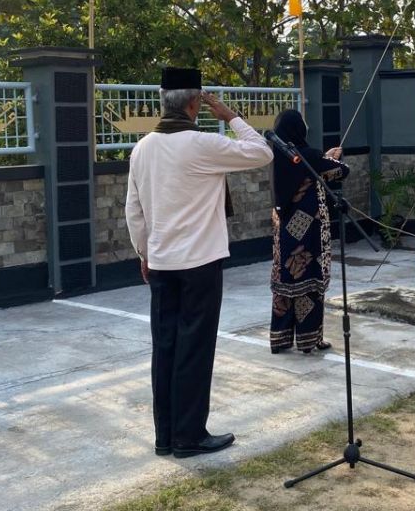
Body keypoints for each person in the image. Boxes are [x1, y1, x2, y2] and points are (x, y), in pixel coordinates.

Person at [125, 67, 273, 459]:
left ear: (164, 101)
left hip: (161, 260)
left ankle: (166, 436)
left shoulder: (142, 148)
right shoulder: (203, 144)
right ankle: (189, 436)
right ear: (195, 103)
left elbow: (133, 211)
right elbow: (262, 151)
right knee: (195, 347)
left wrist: (143, 252)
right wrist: (230, 116)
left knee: (166, 347)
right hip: (200, 262)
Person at [268, 109, 348, 354]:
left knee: (285, 280)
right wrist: (331, 158)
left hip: (283, 229)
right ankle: (309, 339)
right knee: (309, 282)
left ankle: (280, 339)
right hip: (307, 232)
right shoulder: (309, 155)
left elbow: (306, 167)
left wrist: (323, 157)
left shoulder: (278, 157)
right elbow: (341, 170)